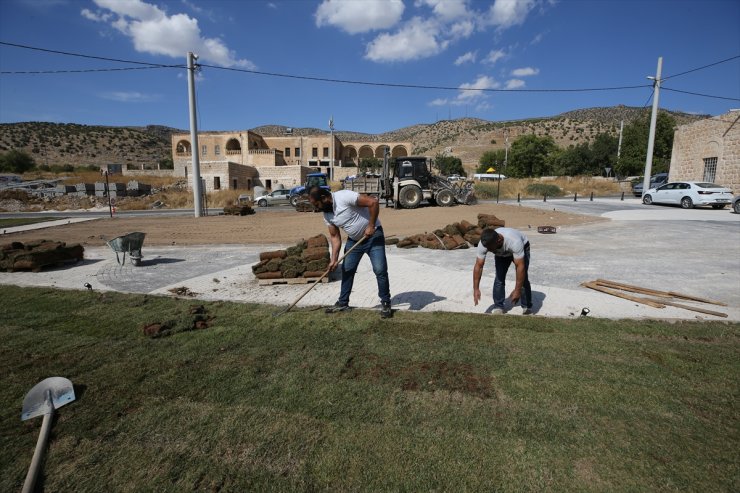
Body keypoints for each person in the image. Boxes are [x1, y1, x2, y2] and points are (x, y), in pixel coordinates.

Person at [307, 186, 392, 318]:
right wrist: (334, 259)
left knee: (380, 269)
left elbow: (373, 202)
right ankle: (343, 303)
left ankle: (386, 303)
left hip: (374, 236)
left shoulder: (344, 197)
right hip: (354, 241)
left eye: (317, 204)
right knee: (347, 270)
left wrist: (371, 225)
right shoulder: (327, 215)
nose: (316, 208)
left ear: (324, 198)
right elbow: (335, 238)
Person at [472, 227, 532, 314]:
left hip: (521, 247)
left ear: (499, 240)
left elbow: (520, 267)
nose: (488, 250)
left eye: (491, 249)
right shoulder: (485, 244)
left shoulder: (514, 242)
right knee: (499, 277)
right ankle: (498, 306)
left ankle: (527, 306)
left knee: (523, 278)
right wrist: (476, 288)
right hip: (502, 253)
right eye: (487, 248)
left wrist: (517, 290)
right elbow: (479, 265)